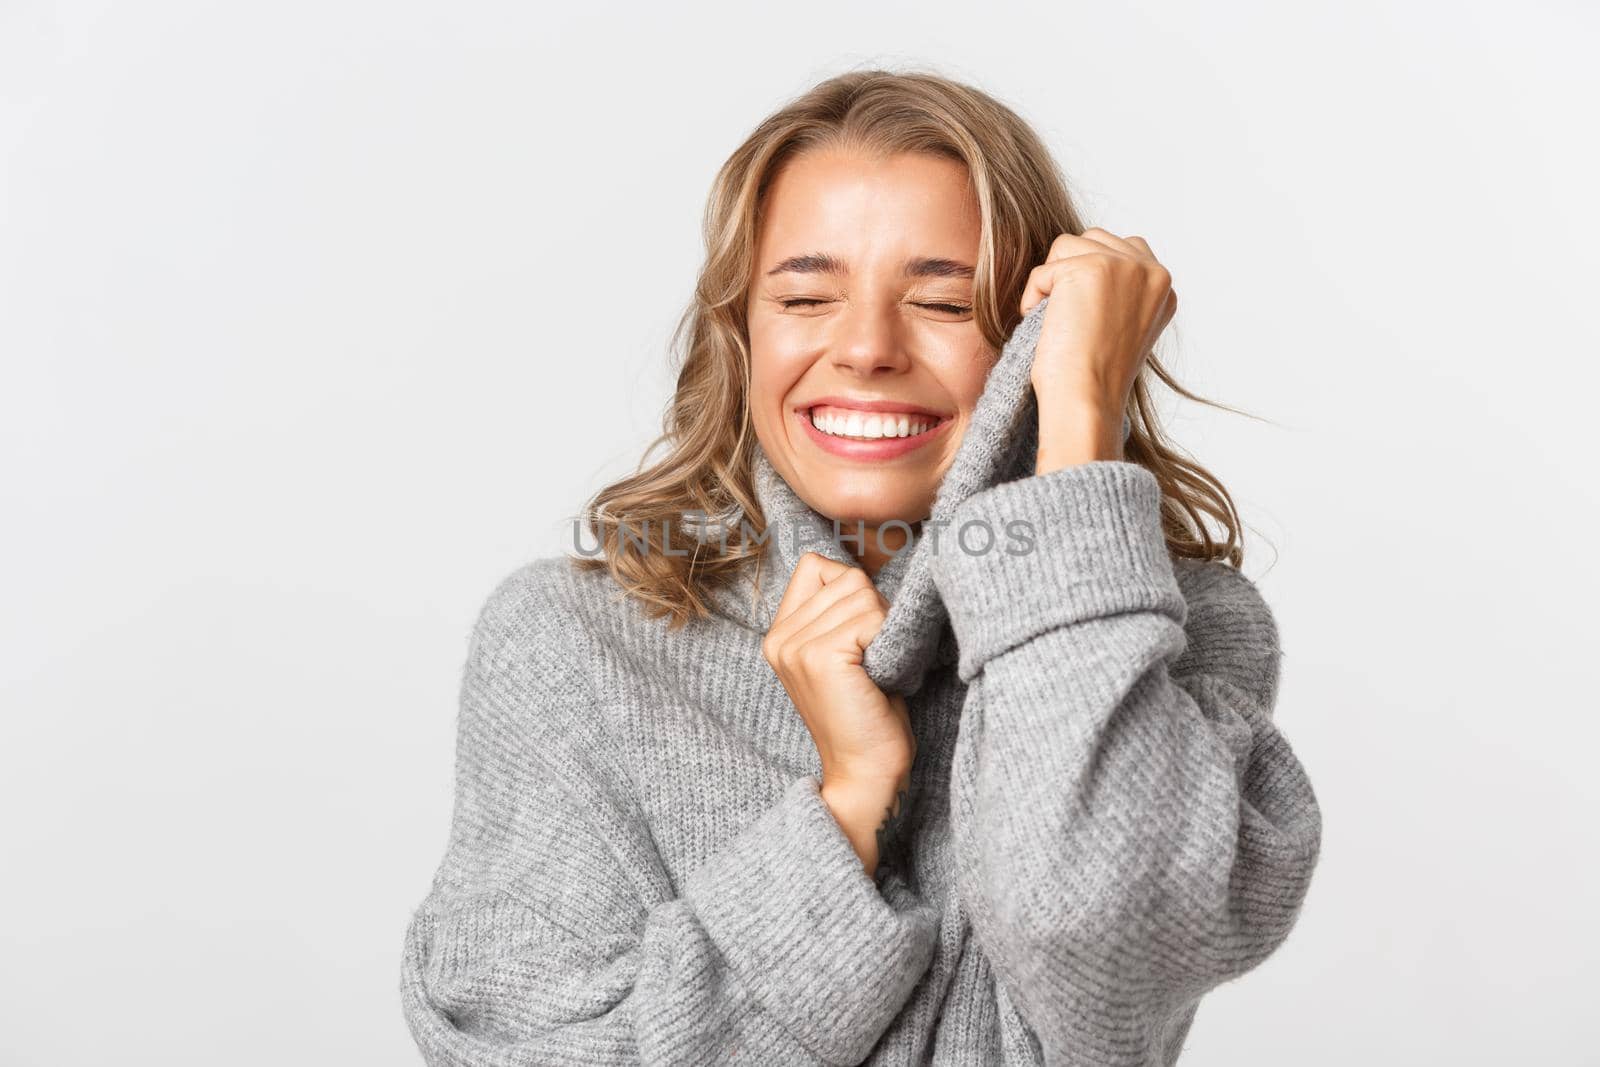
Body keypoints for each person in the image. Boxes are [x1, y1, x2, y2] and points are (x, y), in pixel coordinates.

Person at [399, 68, 1322, 1066]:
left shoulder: (1178, 631)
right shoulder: (573, 643)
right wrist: (851, 799)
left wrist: (1079, 434)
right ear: (741, 330)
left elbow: (1103, 945)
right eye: (803, 294)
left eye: (940, 300)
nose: (867, 347)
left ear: (1034, 340)